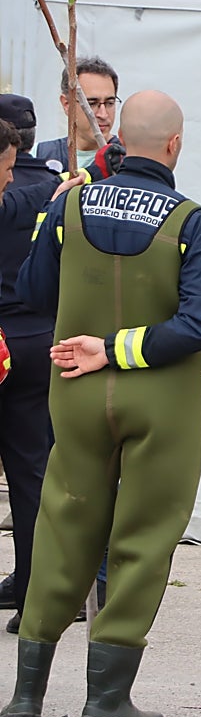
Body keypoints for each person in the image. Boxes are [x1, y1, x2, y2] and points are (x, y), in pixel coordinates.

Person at [0, 90, 201, 717]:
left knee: (63, 527)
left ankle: (24, 702)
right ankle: (106, 704)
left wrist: (56, 226)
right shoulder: (190, 221)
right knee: (143, 538)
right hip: (160, 398)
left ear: (120, 141)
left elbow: (32, 290)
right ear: (175, 145)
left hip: (72, 389)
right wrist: (123, 348)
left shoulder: (69, 202)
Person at [0, 96, 58, 635]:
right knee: (31, 475)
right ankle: (32, 597)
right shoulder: (56, 185)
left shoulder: (15, 184)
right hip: (34, 340)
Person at [36, 57, 120, 173]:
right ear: (66, 104)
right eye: (91, 104)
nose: (103, 114)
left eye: (110, 103)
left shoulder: (127, 160)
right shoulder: (38, 155)